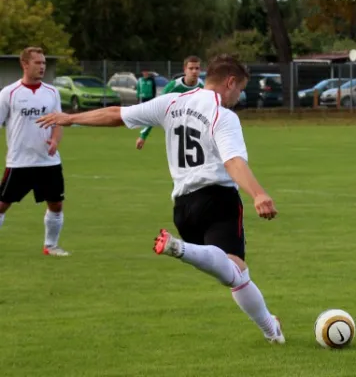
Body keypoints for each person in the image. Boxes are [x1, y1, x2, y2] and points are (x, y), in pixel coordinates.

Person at [37, 54, 285, 343]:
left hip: (183, 208)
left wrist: (71, 118)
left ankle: (271, 328)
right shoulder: (223, 115)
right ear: (230, 82)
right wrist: (258, 194)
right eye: (240, 88)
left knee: (236, 274)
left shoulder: (172, 102)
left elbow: (117, 114)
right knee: (234, 270)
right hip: (218, 200)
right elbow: (232, 161)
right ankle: (181, 250)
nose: (239, 96)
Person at [0, 47, 69, 256]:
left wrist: (55, 141)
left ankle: (50, 246)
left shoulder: (52, 92)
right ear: (25, 64)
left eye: (44, 63)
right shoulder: (8, 93)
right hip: (19, 161)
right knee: (2, 204)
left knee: (56, 204)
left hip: (48, 162)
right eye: (38, 63)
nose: (42, 67)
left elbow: (59, 122)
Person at [136, 56, 204, 150]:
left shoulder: (203, 87)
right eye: (191, 68)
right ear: (185, 70)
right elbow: (156, 109)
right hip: (175, 130)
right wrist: (143, 135)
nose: (194, 71)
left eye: (197, 68)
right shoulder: (173, 87)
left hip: (196, 131)